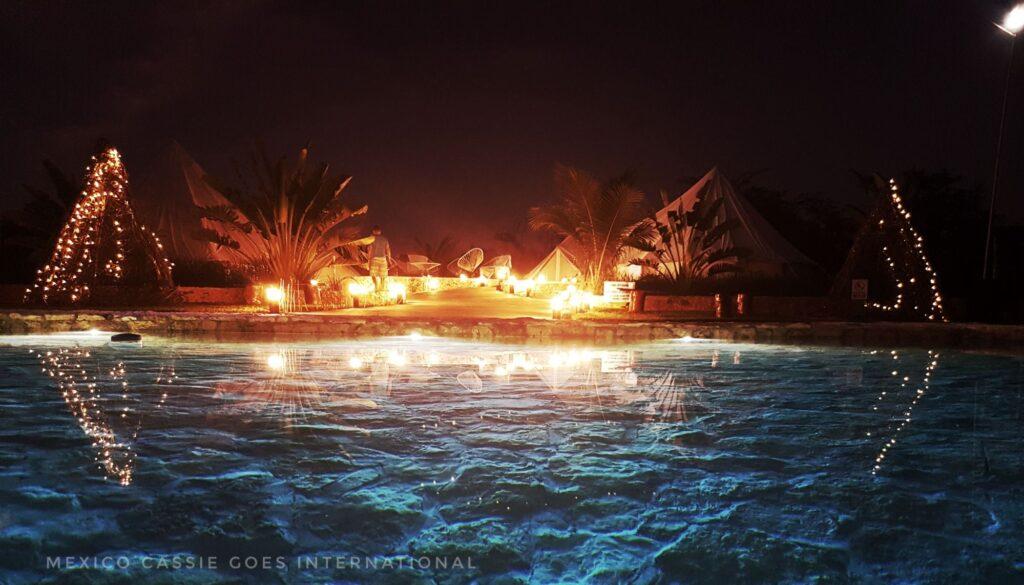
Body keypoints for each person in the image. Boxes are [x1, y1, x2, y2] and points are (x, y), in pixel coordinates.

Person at [366, 225, 392, 292]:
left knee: (373, 274)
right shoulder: (384, 239)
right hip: (383, 259)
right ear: (380, 231)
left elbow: (369, 250)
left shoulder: (371, 239)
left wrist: (368, 260)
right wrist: (389, 260)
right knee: (383, 275)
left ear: (373, 231)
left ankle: (376, 287)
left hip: (374, 259)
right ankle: (382, 287)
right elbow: (388, 250)